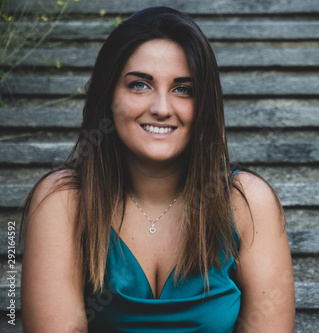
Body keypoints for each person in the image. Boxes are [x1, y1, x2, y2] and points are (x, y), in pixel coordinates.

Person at [20, 6, 295, 332]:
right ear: (108, 96)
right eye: (140, 85)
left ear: (204, 105)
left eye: (183, 89)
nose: (161, 108)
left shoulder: (246, 203)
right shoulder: (62, 203)